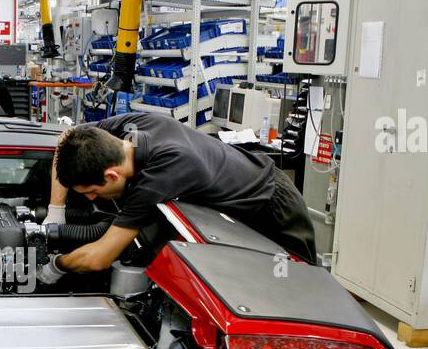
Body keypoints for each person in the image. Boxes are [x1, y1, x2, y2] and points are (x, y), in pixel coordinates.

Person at [38, 111, 317, 282]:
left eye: (93, 193)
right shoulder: (129, 129)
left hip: (272, 204)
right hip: (230, 197)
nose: (91, 200)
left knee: (294, 284)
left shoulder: (161, 174)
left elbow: (99, 258)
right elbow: (67, 138)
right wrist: (56, 210)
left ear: (112, 175)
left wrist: (56, 266)